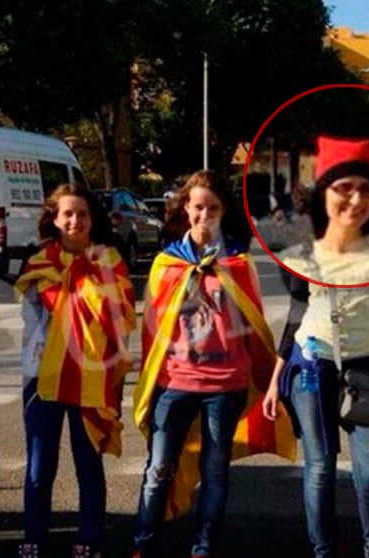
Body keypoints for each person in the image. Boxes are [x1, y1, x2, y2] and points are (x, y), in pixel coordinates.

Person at [262, 135, 369, 558]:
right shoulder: (304, 255)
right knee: (320, 469)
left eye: (365, 189)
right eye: (343, 188)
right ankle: (324, 551)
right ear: (323, 195)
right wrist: (276, 379)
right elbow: (296, 314)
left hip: (366, 367)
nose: (355, 198)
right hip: (312, 367)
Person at [132, 170, 296, 557]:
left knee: (216, 472)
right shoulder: (165, 264)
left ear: (224, 212)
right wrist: (150, 380)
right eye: (198, 206)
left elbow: (254, 324)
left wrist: (269, 377)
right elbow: (152, 331)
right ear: (185, 209)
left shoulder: (238, 262)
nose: (204, 215)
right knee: (158, 470)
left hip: (226, 386)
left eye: (213, 208)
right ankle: (143, 542)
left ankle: (203, 546)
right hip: (174, 382)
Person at [14, 183, 136, 558]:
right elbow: (32, 319)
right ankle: (33, 535)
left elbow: (122, 318)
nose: (75, 221)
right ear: (53, 217)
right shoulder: (37, 262)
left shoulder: (110, 260)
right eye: (67, 213)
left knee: (88, 461)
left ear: (92, 218)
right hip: (43, 376)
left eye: (82, 213)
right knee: (39, 463)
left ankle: (89, 537)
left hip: (92, 374)